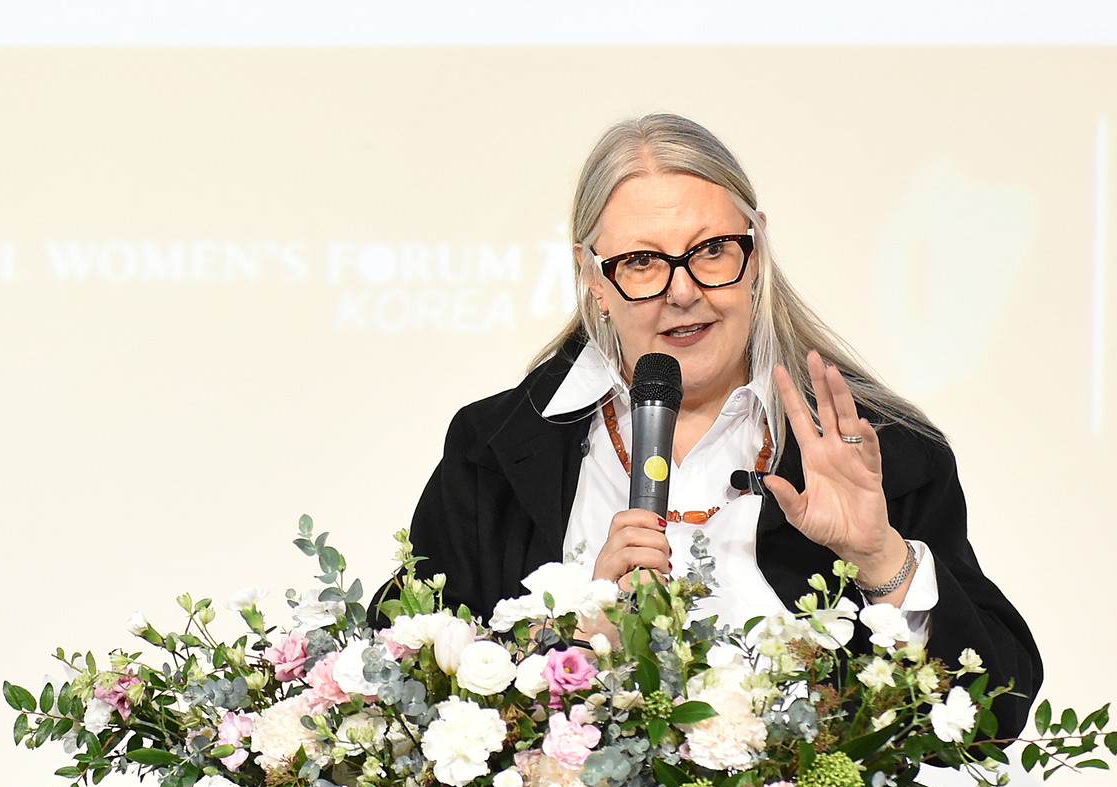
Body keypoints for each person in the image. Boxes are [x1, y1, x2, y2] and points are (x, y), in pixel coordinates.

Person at [402, 113, 1041, 738]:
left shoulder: (879, 447)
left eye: (711, 251)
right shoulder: (495, 449)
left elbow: (996, 716)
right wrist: (568, 649)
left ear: (756, 248)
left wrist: (881, 559)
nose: (683, 292)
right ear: (593, 277)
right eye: (642, 262)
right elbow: (401, 687)